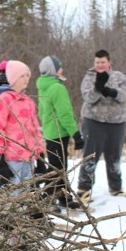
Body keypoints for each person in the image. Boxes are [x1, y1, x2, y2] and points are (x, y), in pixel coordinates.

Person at [77, 49, 126, 203]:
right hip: (94, 121)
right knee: (90, 157)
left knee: (114, 156)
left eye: (103, 62)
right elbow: (88, 97)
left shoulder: (119, 76)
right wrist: (98, 88)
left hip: (117, 122)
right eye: (97, 62)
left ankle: (116, 187)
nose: (100, 65)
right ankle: (84, 190)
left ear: (109, 62)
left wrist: (111, 92)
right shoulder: (89, 77)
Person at [0, 61, 45, 191]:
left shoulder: (28, 101)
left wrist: (40, 156)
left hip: (29, 158)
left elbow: (35, 130)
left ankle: (32, 211)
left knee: (31, 195)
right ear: (13, 77)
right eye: (22, 76)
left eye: (27, 76)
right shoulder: (2, 100)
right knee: (14, 197)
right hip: (11, 159)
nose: (26, 79)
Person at [36, 55, 84, 210]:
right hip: (58, 132)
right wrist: (75, 134)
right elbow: (65, 113)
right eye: (59, 67)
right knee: (56, 168)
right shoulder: (57, 88)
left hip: (50, 133)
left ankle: (63, 197)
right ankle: (45, 198)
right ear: (54, 70)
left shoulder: (44, 86)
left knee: (59, 166)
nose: (62, 69)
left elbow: (41, 112)